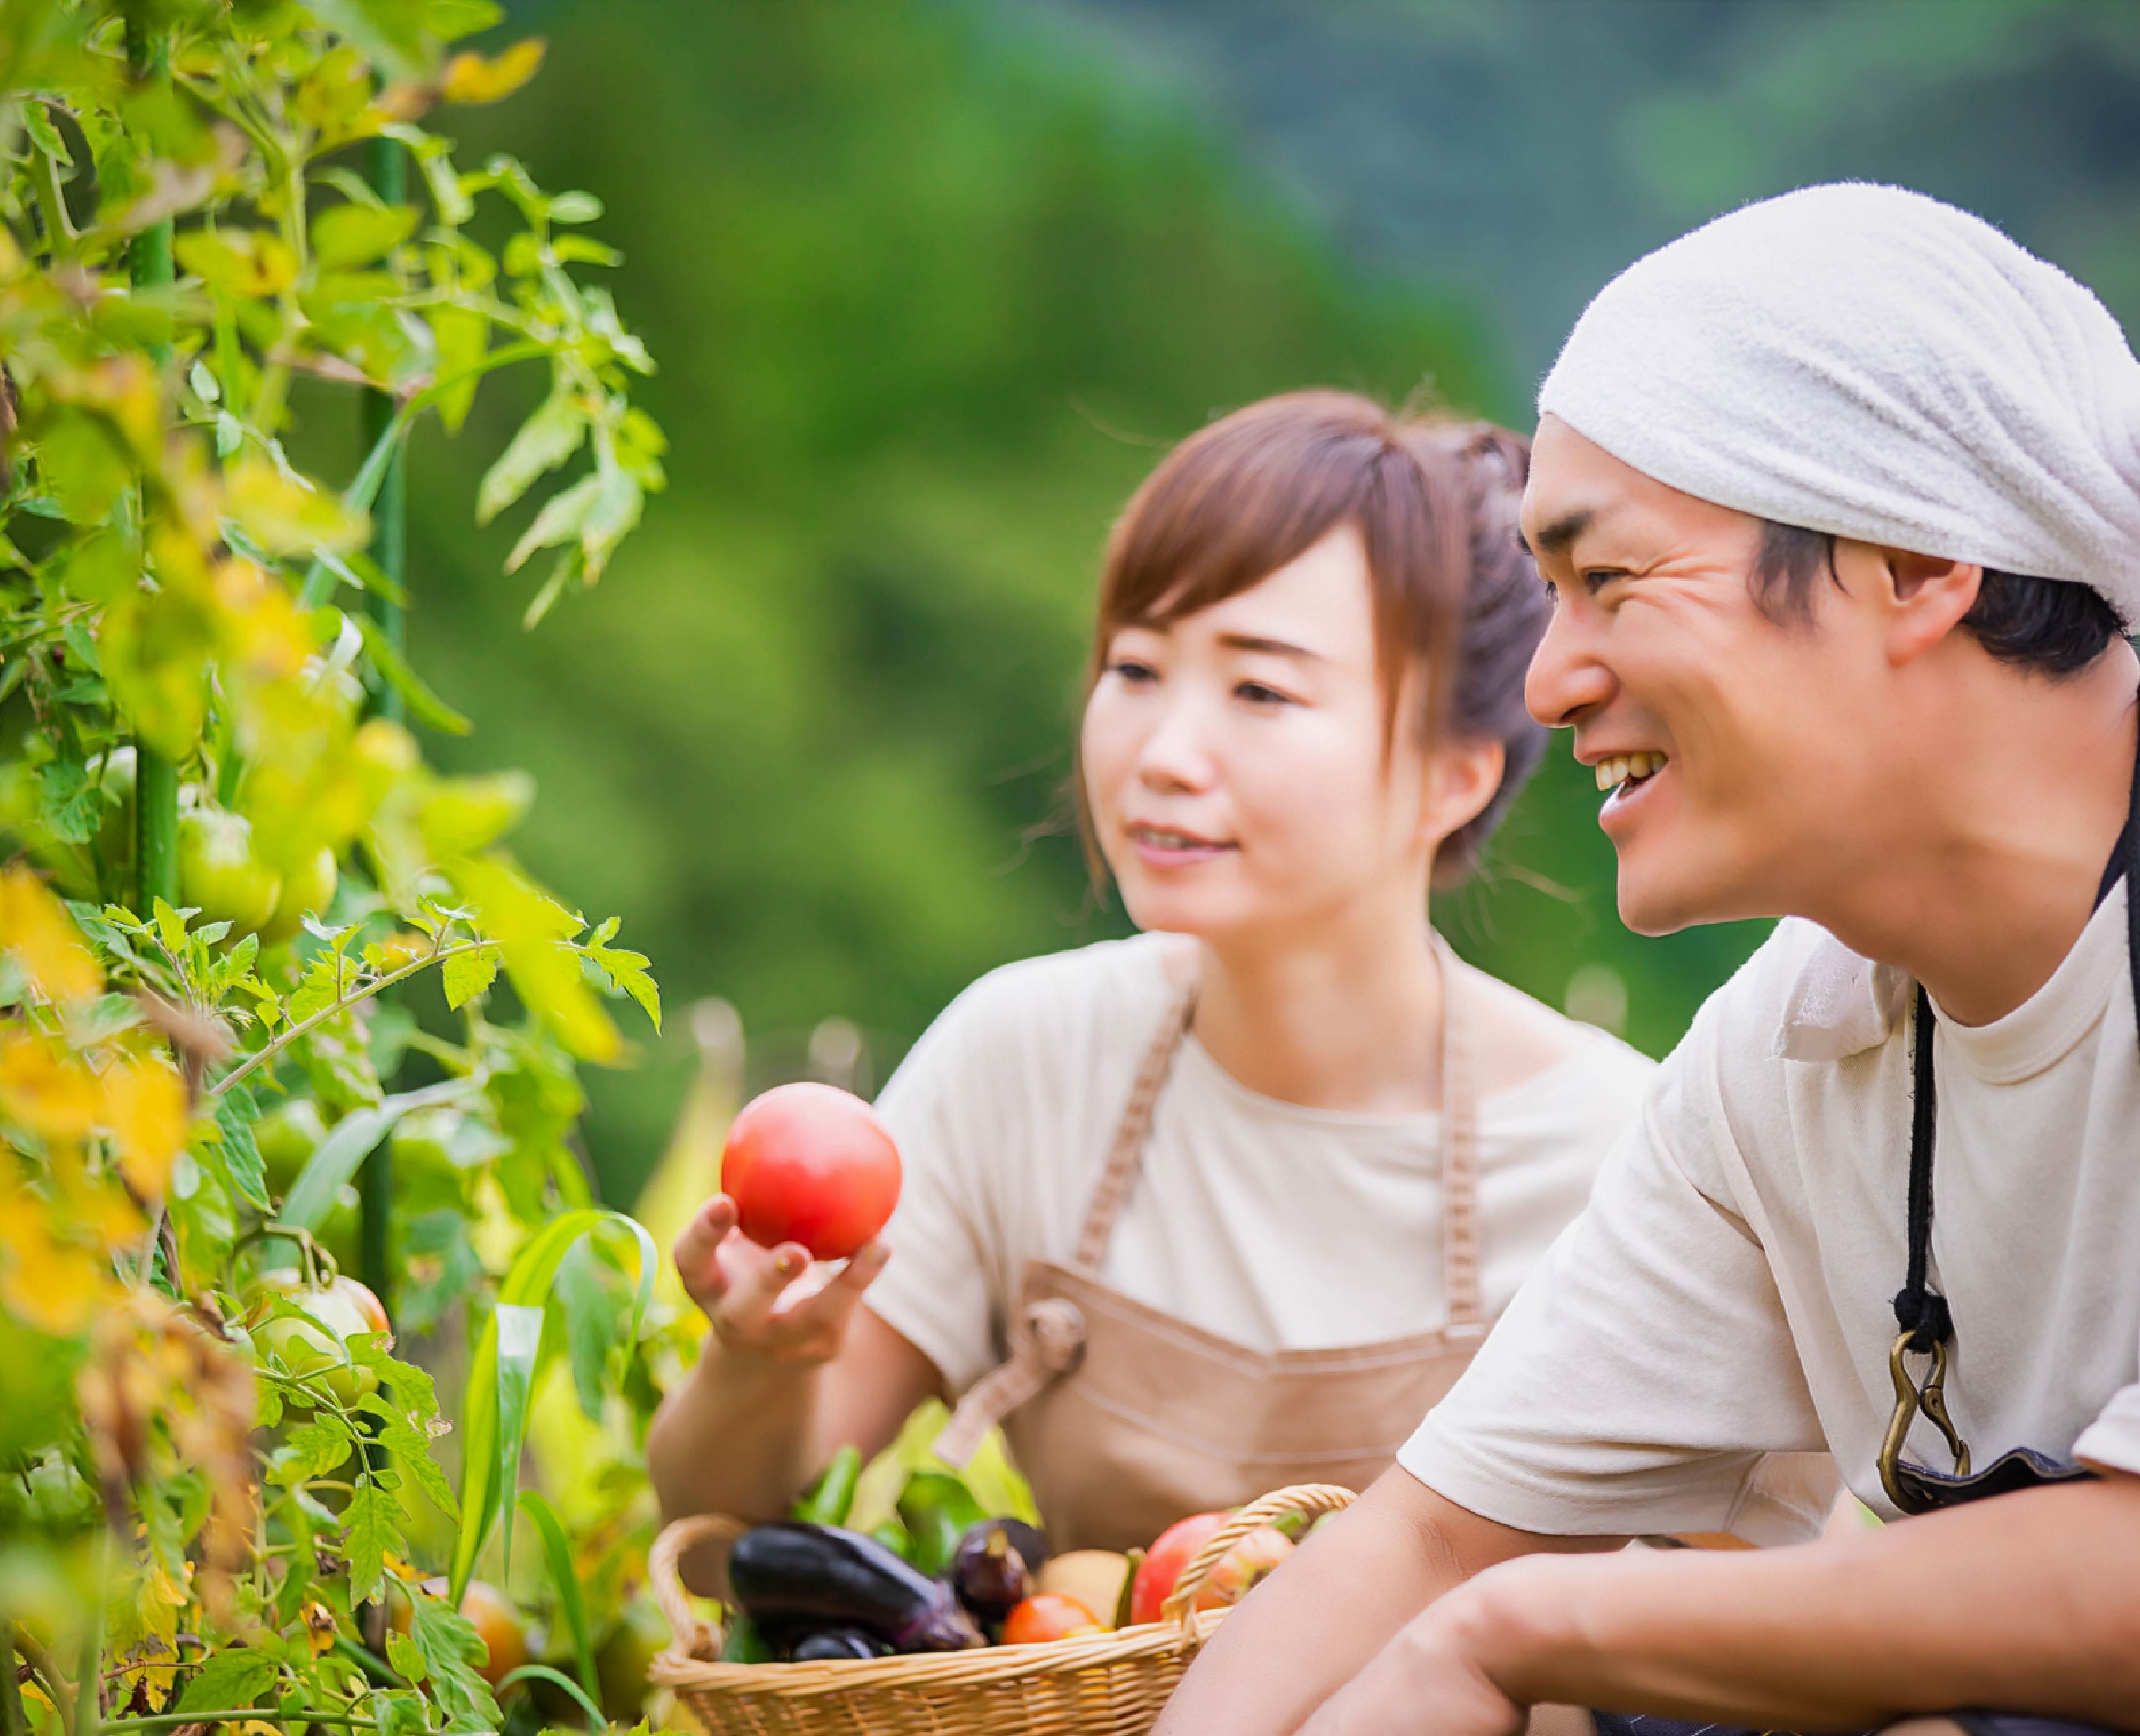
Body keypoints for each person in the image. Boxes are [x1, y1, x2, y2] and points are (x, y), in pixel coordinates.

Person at [1157, 186, 2140, 1735]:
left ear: (1910, 564)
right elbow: (1427, 1543)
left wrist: (1512, 1633)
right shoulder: (1790, 1041)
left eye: (1608, 581)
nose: (1546, 682)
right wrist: (1469, 1631)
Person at [647, 392, 1824, 1575]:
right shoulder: (1025, 1057)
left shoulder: (1627, 1154)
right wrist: (759, 1359)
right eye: (1135, 667)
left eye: (1260, 691)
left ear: (1453, 774)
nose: (1162, 754)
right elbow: (720, 1545)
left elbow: (1723, 1613)